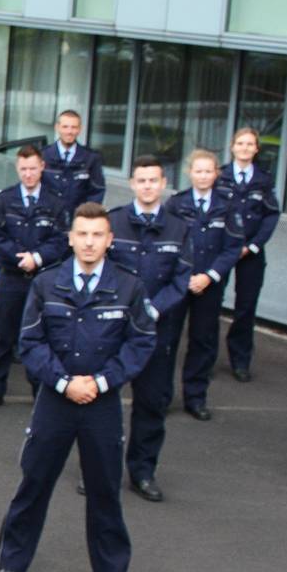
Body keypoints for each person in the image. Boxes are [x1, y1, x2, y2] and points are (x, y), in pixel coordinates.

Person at [0, 203, 155, 572]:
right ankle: (11, 563)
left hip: (102, 403)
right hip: (55, 400)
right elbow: (30, 342)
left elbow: (140, 343)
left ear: (109, 240)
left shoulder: (129, 287)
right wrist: (64, 382)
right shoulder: (47, 284)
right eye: (82, 234)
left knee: (104, 491)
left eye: (97, 235)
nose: (89, 242)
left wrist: (100, 382)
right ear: (70, 238)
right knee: (34, 483)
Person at [103, 158, 192, 502]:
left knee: (151, 404)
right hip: (114, 328)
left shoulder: (178, 228)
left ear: (164, 182)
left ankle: (142, 472)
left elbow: (181, 278)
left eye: (154, 180)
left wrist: (152, 309)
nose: (148, 186)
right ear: (132, 183)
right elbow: (103, 269)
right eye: (142, 180)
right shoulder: (114, 221)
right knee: (104, 402)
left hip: (156, 329)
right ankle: (98, 470)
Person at [0, 145, 69, 411]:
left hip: (43, 279)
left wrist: (37, 258)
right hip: (12, 277)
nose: (28, 174)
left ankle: (40, 390)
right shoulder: (3, 200)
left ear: (42, 167)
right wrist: (22, 258)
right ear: (17, 170)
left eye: (33, 168)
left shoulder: (55, 202)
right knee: (5, 335)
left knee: (41, 335)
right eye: (23, 169)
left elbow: (61, 239)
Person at [163, 149, 244, 421]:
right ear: (190, 173)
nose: (203, 176)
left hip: (209, 285)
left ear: (216, 174)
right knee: (167, 340)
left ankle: (196, 398)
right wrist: (183, 277)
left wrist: (209, 276)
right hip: (178, 283)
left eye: (208, 171)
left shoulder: (228, 206)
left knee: (203, 341)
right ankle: (161, 397)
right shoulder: (176, 204)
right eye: (198, 171)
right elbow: (167, 243)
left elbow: (232, 247)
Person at [222, 128, 280, 383]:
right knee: (209, 306)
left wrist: (254, 245)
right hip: (221, 250)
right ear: (232, 147)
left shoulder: (264, 179)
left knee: (245, 308)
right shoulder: (220, 175)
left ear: (256, 149)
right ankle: (205, 359)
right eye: (240, 143)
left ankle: (240, 361)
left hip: (251, 252)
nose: (245, 148)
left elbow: (270, 215)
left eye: (250, 144)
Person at [41, 110, 106, 212]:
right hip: (48, 218)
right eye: (65, 127)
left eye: (74, 127)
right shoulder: (43, 155)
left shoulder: (91, 158)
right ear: (57, 127)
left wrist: (86, 217)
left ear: (79, 129)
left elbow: (96, 192)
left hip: (78, 219)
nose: (69, 131)